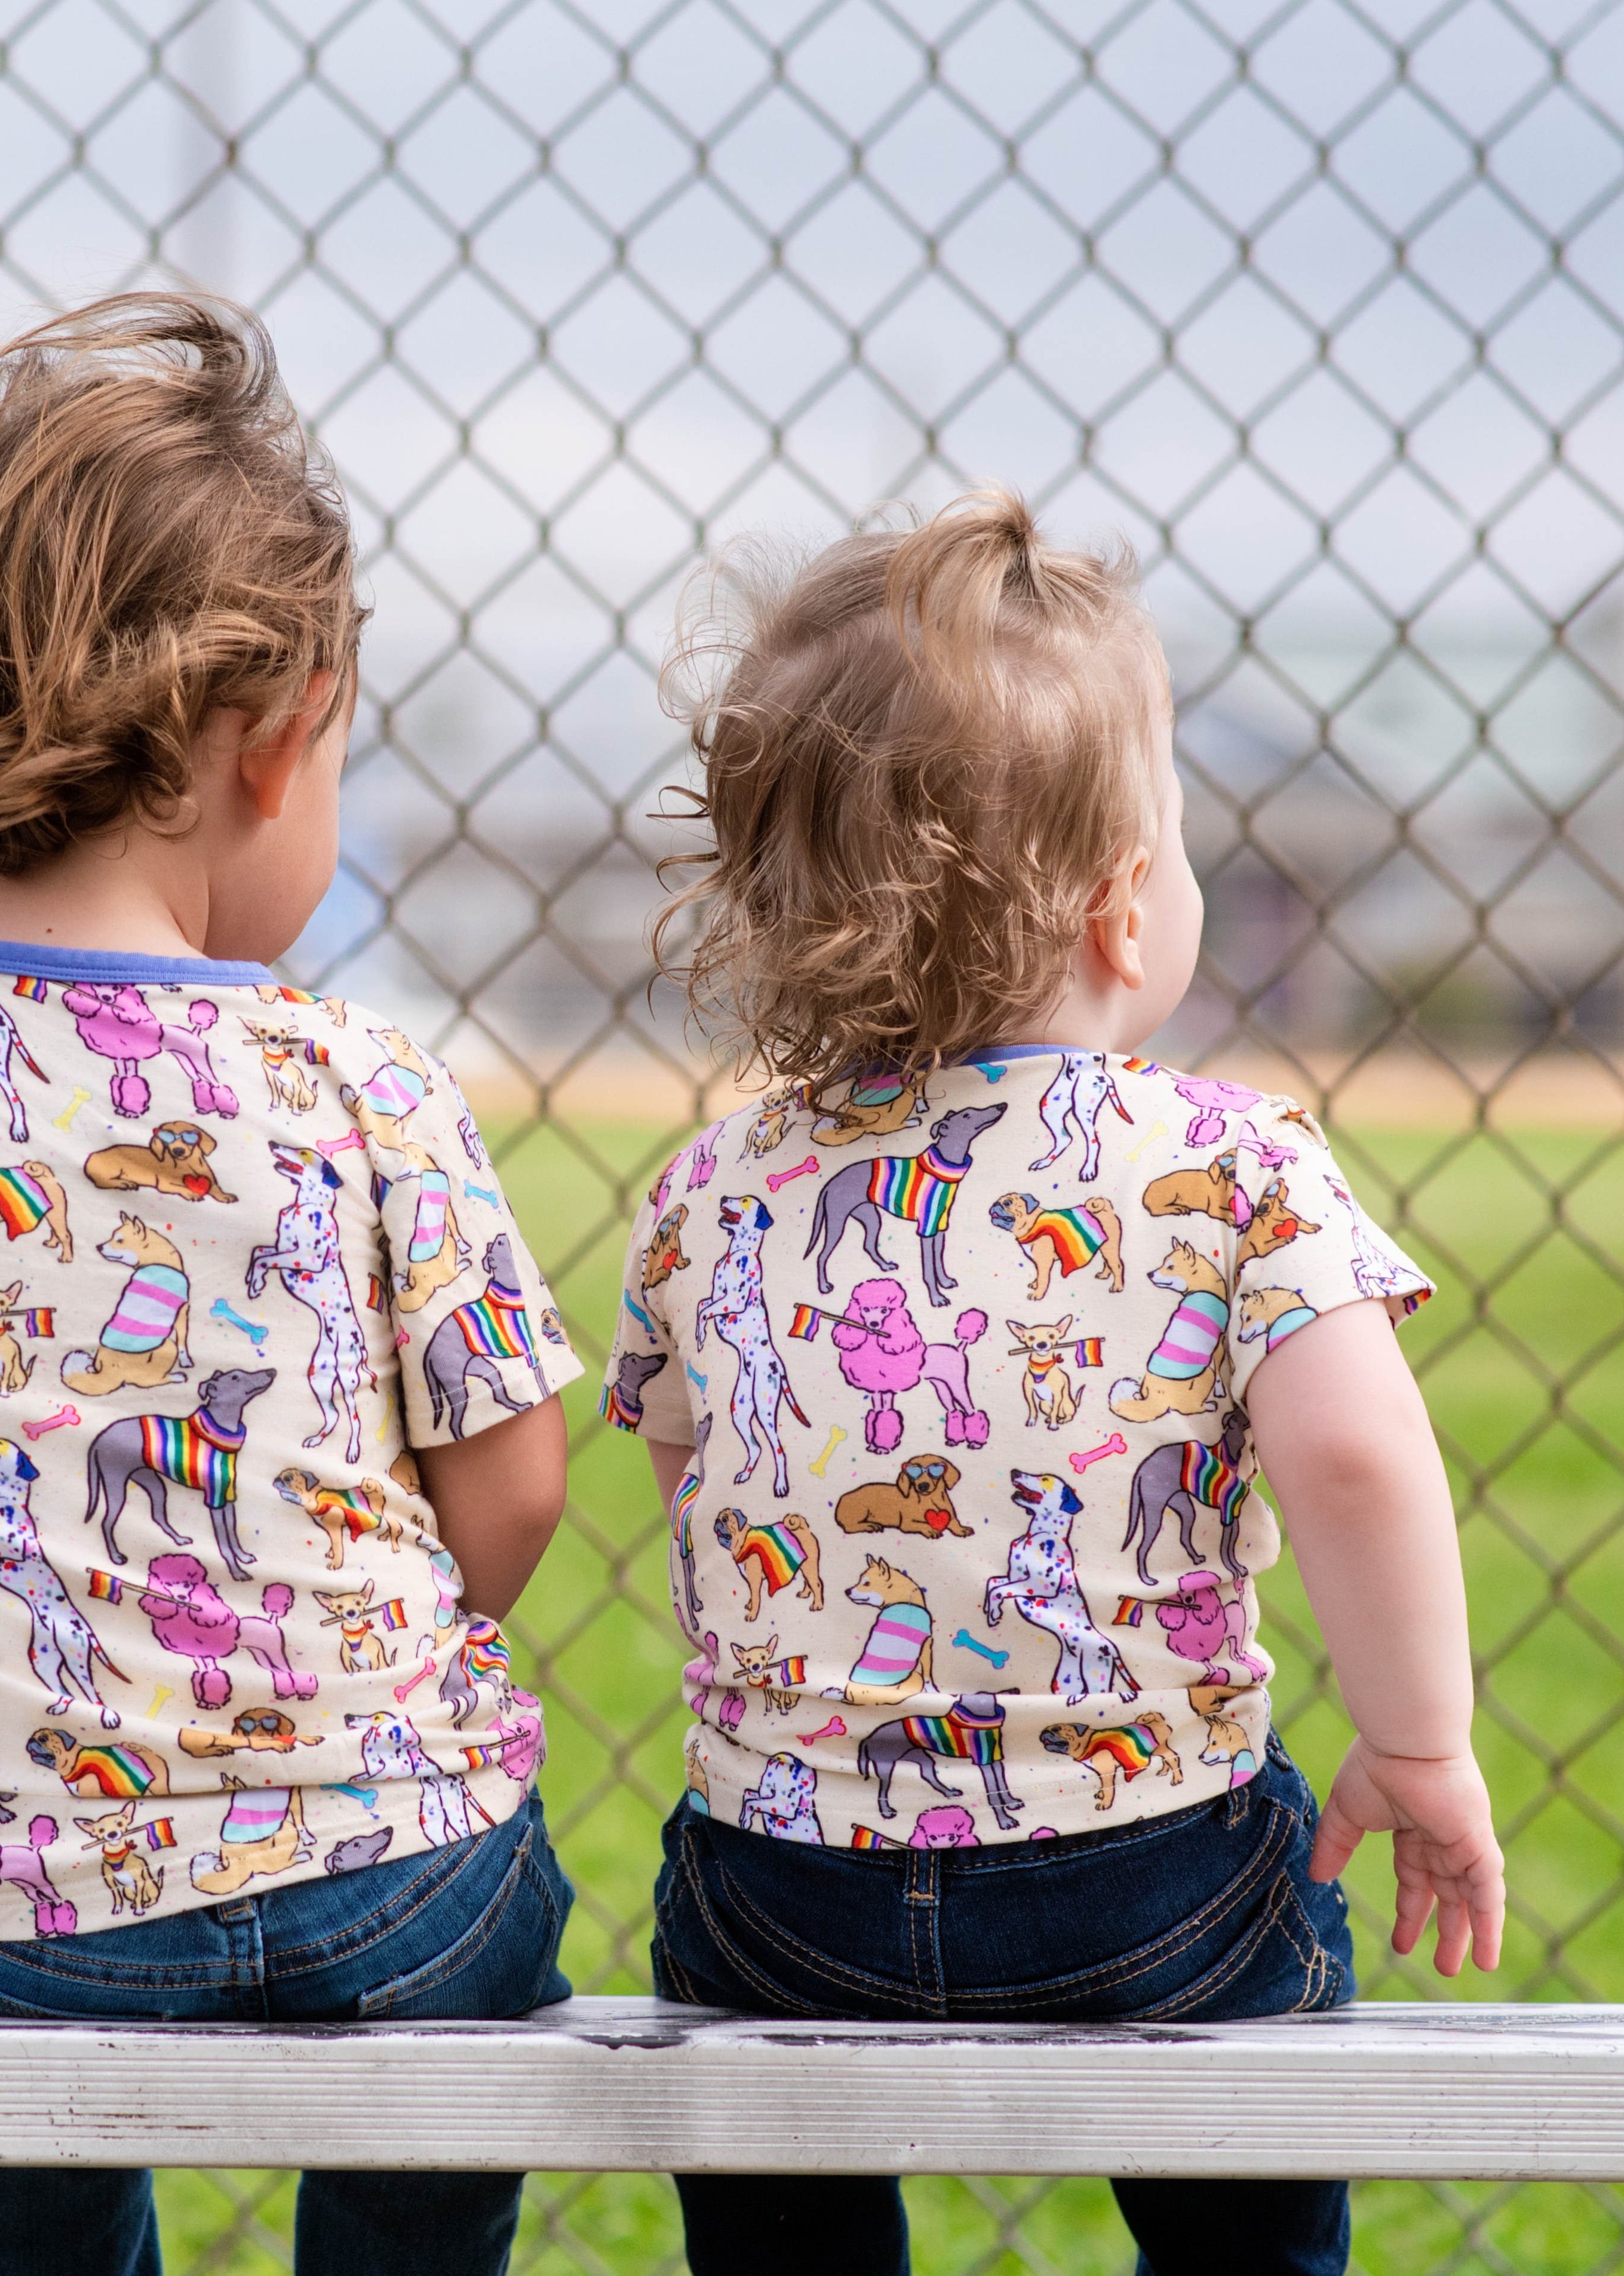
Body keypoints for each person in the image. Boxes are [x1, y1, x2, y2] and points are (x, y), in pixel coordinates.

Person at [0, 293, 583, 2276]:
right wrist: (351, 1691)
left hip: (13, 1881)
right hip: (393, 1866)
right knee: (470, 1983)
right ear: (269, 747)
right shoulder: (363, 1080)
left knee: (7, 2037)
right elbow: (514, 1486)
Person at [604, 489, 1505, 2276]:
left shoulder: (712, 1184)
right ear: (1120, 914)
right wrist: (1416, 1744)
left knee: (753, 2097)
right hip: (1146, 1872)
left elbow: (694, 1478)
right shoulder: (1231, 1157)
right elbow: (1351, 1461)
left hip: (789, 1891)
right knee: (1247, 2118)